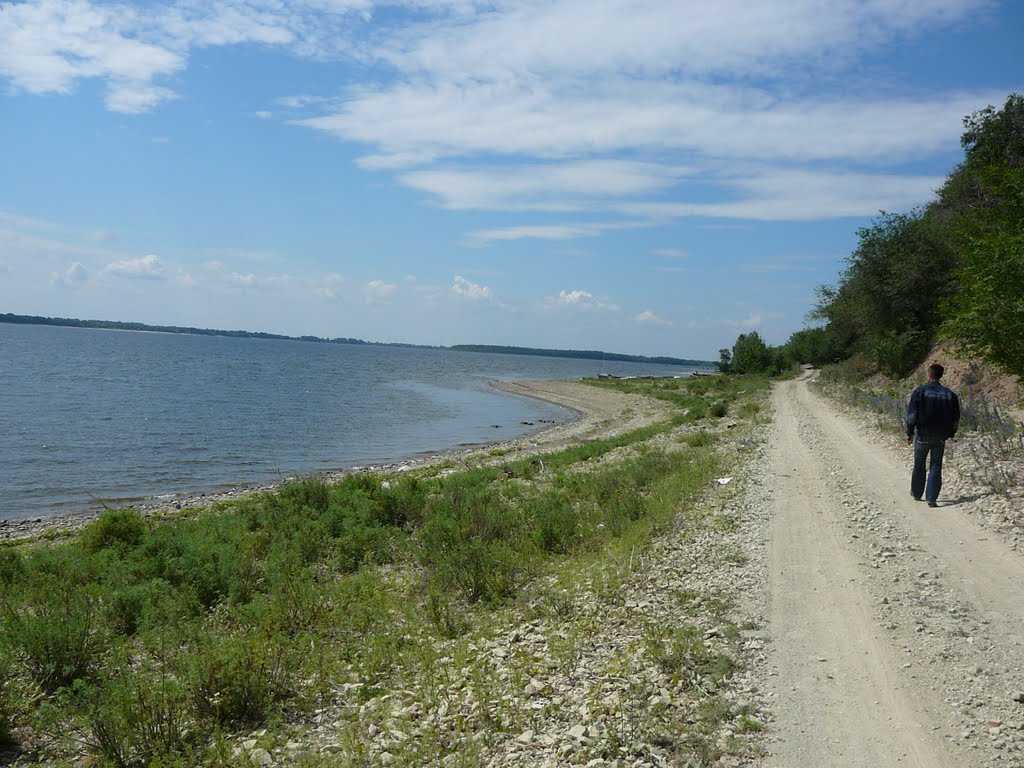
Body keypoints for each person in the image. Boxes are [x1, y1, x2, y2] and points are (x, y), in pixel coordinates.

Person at [906, 363, 960, 507]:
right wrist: (951, 433)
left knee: (919, 464)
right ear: (941, 376)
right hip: (940, 436)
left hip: (923, 434)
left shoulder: (920, 391)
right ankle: (932, 498)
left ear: (929, 374)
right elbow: (955, 419)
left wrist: (910, 432)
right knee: (936, 465)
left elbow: (912, 415)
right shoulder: (950, 395)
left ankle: (917, 493)